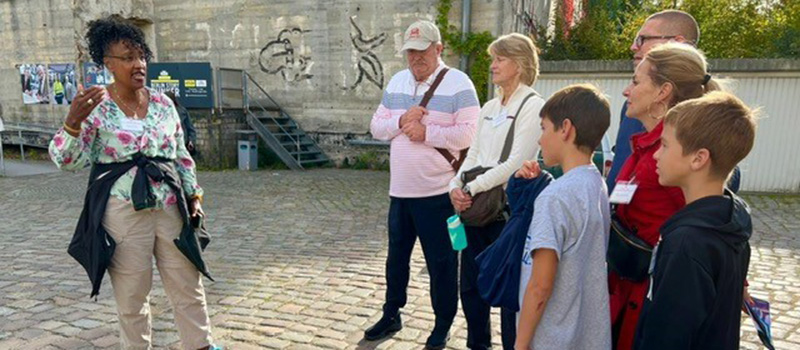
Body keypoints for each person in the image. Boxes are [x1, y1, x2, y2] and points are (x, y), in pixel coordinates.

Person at [48, 16, 221, 350]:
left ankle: (200, 345)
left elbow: (180, 155)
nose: (138, 64)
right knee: (132, 295)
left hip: (170, 208)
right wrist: (71, 125)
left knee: (188, 283)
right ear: (108, 64)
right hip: (123, 213)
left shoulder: (163, 104)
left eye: (141, 56)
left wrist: (194, 195)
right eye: (127, 58)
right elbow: (67, 161)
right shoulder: (96, 108)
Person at [366, 19, 480, 350]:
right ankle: (392, 313)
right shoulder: (398, 81)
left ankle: (442, 323)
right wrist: (402, 121)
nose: (415, 58)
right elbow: (376, 126)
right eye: (410, 52)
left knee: (442, 263)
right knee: (395, 260)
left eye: (422, 51)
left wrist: (428, 133)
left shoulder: (459, 83)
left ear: (439, 49)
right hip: (400, 193)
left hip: (439, 195)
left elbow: (470, 133)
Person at [608, 42, 723, 350]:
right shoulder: (647, 144)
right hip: (625, 285)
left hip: (651, 298)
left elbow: (703, 218)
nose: (626, 91)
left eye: (635, 81)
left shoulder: (675, 156)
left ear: (663, 92)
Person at [634, 91, 757, 349]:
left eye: (665, 145)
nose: (656, 155)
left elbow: (669, 336)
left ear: (698, 158)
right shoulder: (729, 222)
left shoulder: (686, 244)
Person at [448, 33, 545, 350]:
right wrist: (455, 187)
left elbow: (517, 161)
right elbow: (472, 155)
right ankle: (478, 344)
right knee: (471, 287)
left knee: (507, 291)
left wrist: (471, 188)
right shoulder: (489, 105)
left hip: (506, 211)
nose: (492, 65)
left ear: (518, 64)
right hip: (475, 209)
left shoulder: (533, 105)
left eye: (499, 59)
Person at [514, 84, 612, 350]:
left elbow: (540, 286)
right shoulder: (596, 183)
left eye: (544, 128)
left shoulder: (555, 197)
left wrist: (520, 345)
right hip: (587, 335)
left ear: (565, 128)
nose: (539, 139)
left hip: (552, 338)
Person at [607, 10, 700, 192]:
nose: (633, 47)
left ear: (677, 43)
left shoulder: (703, 111)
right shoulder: (632, 104)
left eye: (643, 39)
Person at [165, 91, 198, 156]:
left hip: (181, 145)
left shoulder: (182, 111)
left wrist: (191, 141)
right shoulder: (160, 113)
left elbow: (190, 129)